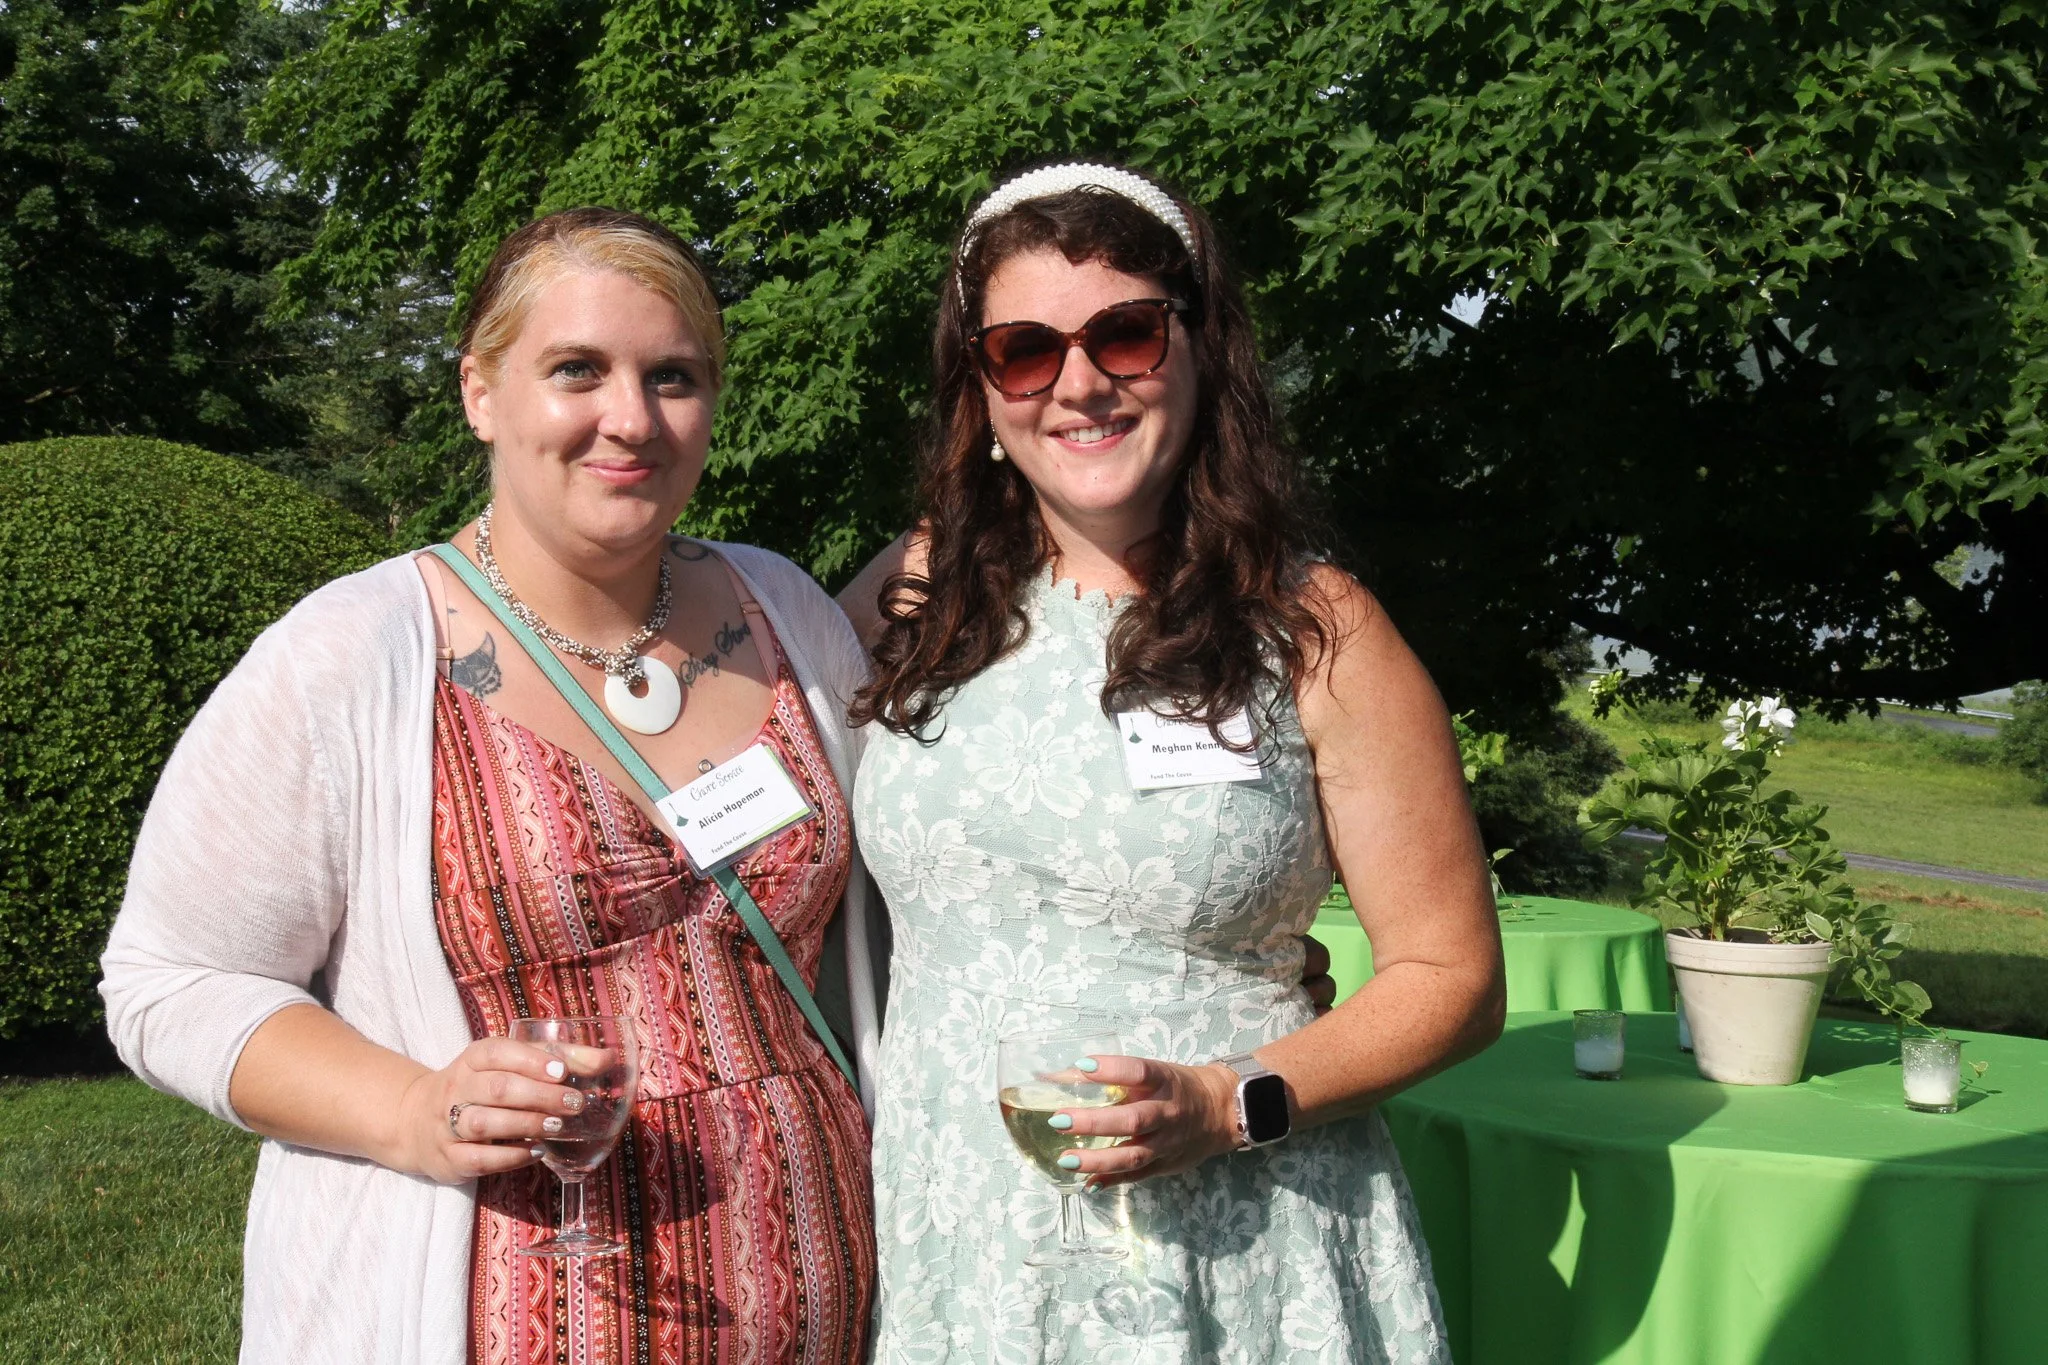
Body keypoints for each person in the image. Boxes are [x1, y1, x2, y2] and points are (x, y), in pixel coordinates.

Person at [100, 208, 885, 1364]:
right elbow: (170, 982)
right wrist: (417, 1112)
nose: (631, 418)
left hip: (822, 1304)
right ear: (481, 392)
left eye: (674, 376)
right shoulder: (352, 658)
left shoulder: (786, 611)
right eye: (578, 369)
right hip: (480, 1311)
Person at [838, 163, 1506, 1362]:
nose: (1079, 383)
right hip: (958, 1241)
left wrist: (1228, 1101)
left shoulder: (1316, 627)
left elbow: (1449, 977)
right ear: (979, 392)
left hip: (1233, 1248)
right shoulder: (914, 596)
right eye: (1024, 351)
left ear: (1198, 352)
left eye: (1126, 335)